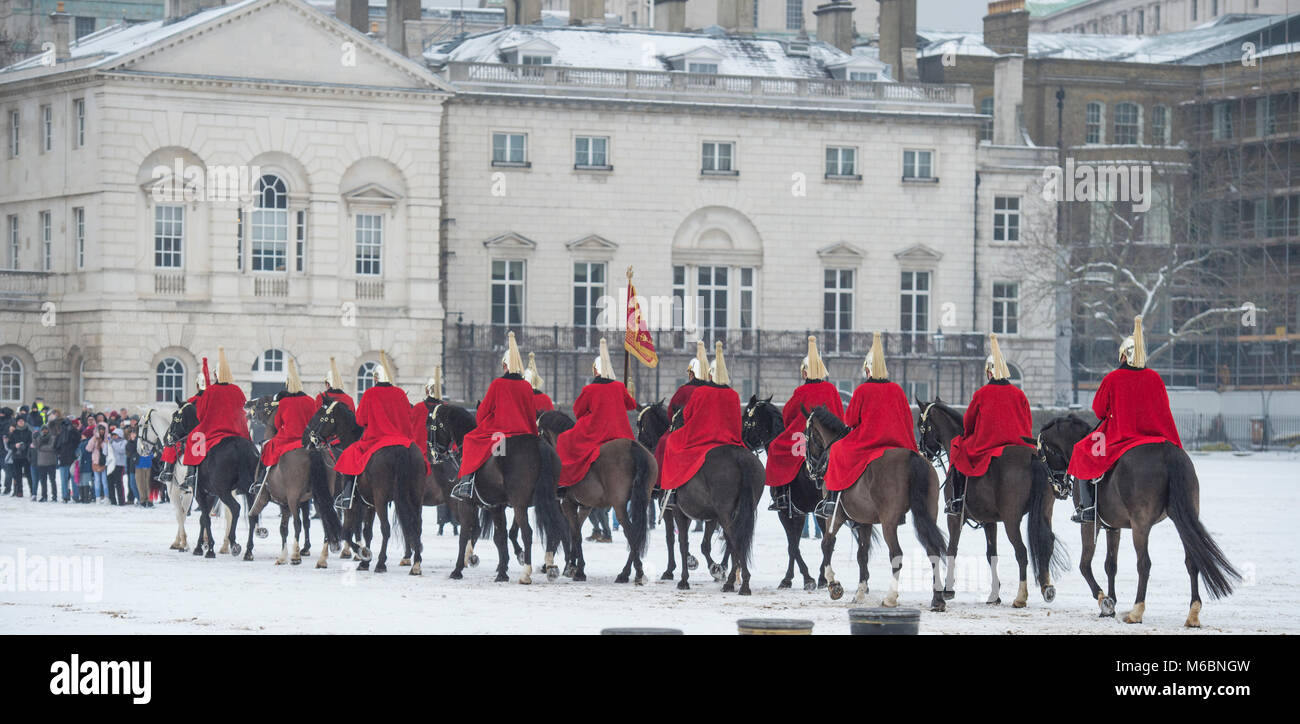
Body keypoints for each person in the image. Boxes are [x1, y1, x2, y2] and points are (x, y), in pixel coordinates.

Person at [1066, 316, 1182, 523]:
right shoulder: (1155, 378)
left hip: (1120, 436)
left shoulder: (1113, 378)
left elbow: (1099, 410)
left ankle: (1088, 508)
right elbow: (1163, 410)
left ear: (1122, 357)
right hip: (1155, 437)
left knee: (1082, 450)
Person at [820, 332, 918, 519]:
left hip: (869, 442)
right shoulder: (897, 389)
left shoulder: (863, 390)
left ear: (868, 370)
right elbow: (907, 420)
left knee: (837, 449)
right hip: (897, 443)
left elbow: (850, 421)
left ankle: (832, 498)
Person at [943, 334, 1034, 515]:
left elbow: (969, 423)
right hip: (1019, 443)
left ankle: (958, 498)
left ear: (990, 372)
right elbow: (1028, 421)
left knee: (957, 449)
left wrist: (968, 434)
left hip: (988, 443)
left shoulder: (982, 393)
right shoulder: (1019, 394)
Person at [453, 332, 536, 501]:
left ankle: (466, 483)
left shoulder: (498, 384)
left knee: (469, 439)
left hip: (500, 433)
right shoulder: (527, 386)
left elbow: (483, 413)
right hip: (524, 433)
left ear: (504, 365)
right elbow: (530, 413)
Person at [766, 336, 844, 511]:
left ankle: (782, 494)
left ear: (805, 373)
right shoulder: (831, 389)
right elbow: (840, 415)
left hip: (801, 437)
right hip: (829, 440)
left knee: (775, 448)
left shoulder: (801, 391)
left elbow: (787, 415)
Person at [659, 341, 745, 498]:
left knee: (671, 442)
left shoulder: (701, 392)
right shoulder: (734, 394)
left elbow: (686, 415)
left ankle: (671, 490)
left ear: (710, 373)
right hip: (729, 441)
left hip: (702, 439)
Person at [556, 339, 637, 497]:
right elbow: (632, 405)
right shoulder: (619, 387)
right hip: (621, 433)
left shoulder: (590, 389)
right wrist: (628, 391)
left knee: (564, 439)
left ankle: (564, 481)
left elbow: (578, 411)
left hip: (596, 434)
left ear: (596, 370)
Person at [333, 352, 417, 505]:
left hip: (376, 440)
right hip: (401, 440)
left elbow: (360, 420)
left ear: (376, 378)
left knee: (349, 455)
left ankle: (347, 494)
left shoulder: (370, 393)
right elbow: (408, 417)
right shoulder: (400, 393)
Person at [182, 347, 251, 493]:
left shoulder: (210, 391)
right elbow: (243, 411)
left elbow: (201, 415)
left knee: (192, 439)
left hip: (214, 432)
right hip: (236, 431)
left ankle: (191, 474)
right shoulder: (237, 389)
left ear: (216, 375)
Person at [256, 358, 316, 492]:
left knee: (266, 447)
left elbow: (277, 424)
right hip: (306, 440)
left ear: (288, 385)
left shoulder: (284, 403)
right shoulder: (310, 401)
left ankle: (261, 481)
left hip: (287, 439)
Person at [409, 366, 444, 470]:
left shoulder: (418, 408)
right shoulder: (445, 407)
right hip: (443, 452)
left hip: (420, 453)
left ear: (427, 391)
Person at [34, 415, 59, 502]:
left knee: (52, 480)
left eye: (46, 429)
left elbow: (51, 448)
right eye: (43, 429)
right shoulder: (39, 438)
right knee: (43, 482)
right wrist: (35, 439)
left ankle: (54, 496)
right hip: (41, 463)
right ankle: (44, 496)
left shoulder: (52, 437)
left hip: (51, 462)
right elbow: (36, 446)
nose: (44, 431)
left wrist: (41, 448)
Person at [7, 416, 32, 498]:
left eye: (22, 421)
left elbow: (31, 443)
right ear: (17, 422)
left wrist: (26, 446)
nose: (21, 422)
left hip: (26, 456)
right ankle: (19, 491)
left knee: (28, 474)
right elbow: (9, 445)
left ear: (24, 422)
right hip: (16, 456)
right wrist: (15, 445)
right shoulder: (14, 432)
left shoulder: (28, 432)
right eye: (19, 421)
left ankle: (32, 491)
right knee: (18, 475)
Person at [57, 416, 80, 503]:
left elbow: (78, 439)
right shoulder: (60, 435)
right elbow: (56, 446)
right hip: (64, 460)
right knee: (65, 480)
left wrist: (73, 430)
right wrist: (59, 455)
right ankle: (66, 496)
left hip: (72, 460)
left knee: (73, 480)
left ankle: (74, 496)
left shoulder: (73, 433)